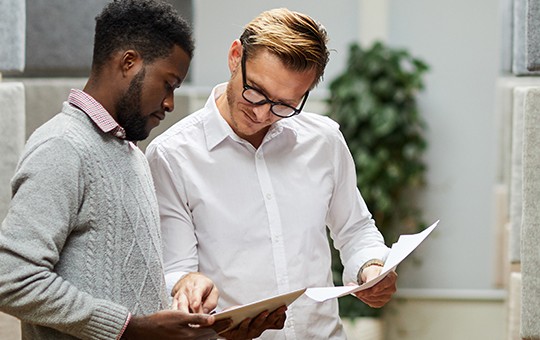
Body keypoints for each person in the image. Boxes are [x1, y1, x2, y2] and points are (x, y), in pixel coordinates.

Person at [146, 7, 398, 340]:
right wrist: (186, 288)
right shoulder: (172, 155)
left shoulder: (324, 140)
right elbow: (175, 270)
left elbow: (355, 229)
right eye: (256, 92)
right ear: (236, 56)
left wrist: (372, 266)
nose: (263, 113)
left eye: (284, 104)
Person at [0, 1, 236, 339]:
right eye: (168, 83)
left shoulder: (132, 154)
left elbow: (128, 289)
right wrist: (130, 329)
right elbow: (12, 278)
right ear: (129, 62)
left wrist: (196, 314)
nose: (169, 102)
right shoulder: (62, 146)